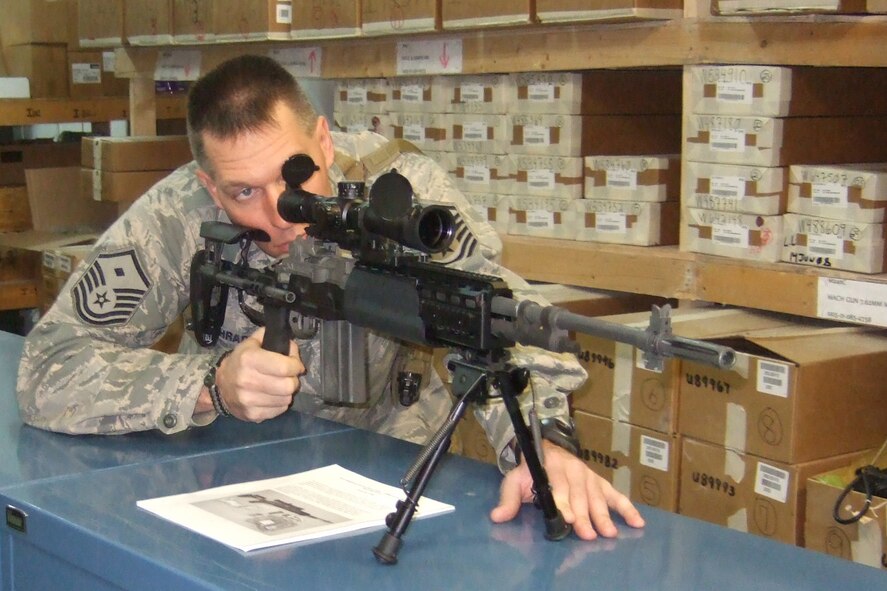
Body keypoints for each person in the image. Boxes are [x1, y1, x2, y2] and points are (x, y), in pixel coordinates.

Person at [17, 55, 644, 541]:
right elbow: (47, 368)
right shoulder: (175, 215)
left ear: (323, 140)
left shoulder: (405, 197)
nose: (278, 215)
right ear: (207, 184)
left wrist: (542, 448)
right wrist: (209, 385)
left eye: (293, 177)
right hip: (224, 474)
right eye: (241, 194)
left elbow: (489, 316)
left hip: (384, 478)